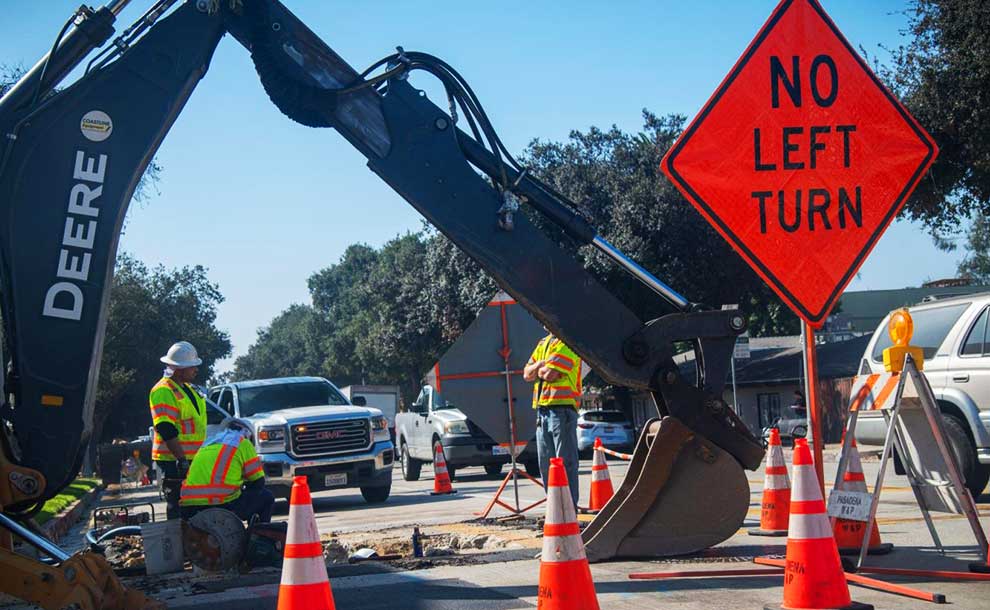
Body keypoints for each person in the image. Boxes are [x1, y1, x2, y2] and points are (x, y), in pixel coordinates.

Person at [149, 341, 207, 519]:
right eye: (192, 367)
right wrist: (181, 459)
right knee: (177, 504)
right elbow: (166, 428)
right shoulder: (164, 391)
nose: (196, 370)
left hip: (190, 458)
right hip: (174, 460)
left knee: (191, 505)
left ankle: (189, 541)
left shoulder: (187, 389)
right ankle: (176, 543)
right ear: (180, 369)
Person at [524, 330, 582, 507]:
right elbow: (526, 374)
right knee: (545, 464)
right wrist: (542, 365)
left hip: (562, 411)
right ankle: (555, 507)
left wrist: (538, 368)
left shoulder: (568, 342)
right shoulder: (544, 343)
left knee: (565, 462)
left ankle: (569, 507)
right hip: (543, 412)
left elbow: (549, 375)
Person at [179, 418, 274, 523]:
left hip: (189, 506)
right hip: (222, 504)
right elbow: (258, 481)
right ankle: (258, 536)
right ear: (248, 435)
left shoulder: (207, 443)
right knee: (266, 497)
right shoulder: (243, 443)